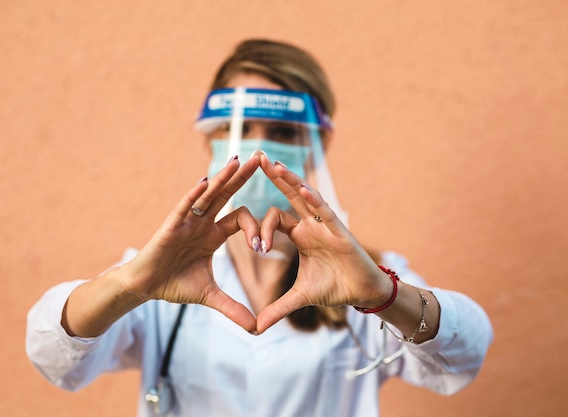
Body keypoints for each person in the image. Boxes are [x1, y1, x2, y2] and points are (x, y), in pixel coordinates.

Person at [26, 39, 493, 417]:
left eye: (284, 133)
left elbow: (464, 354)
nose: (259, 152)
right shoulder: (153, 277)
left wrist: (385, 296)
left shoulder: (367, 276)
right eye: (241, 128)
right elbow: (52, 356)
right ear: (210, 138)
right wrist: (128, 284)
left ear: (315, 145)